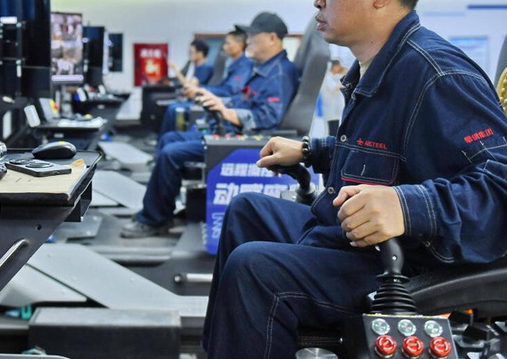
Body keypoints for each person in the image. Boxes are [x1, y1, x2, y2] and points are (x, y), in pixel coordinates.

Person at [170, 0, 507, 359]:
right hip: (352, 238)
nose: (317, 0)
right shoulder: (380, 66)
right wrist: (312, 150)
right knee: (248, 211)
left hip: (405, 264)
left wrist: (407, 206)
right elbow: (385, 154)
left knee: (255, 268)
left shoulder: (435, 74)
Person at [123, 13, 300, 239]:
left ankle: (154, 219)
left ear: (272, 38)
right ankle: (160, 208)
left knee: (170, 153)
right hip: (237, 132)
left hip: (252, 141)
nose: (249, 41)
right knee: (170, 140)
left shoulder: (279, 73)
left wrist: (226, 111)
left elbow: (267, 117)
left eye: (253, 36)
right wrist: (220, 103)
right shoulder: (265, 69)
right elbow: (243, 100)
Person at [157, 30, 253, 138]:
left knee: (173, 109)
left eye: (228, 43)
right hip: (218, 100)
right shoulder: (232, 64)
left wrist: (201, 91)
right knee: (172, 108)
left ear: (239, 44)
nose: (224, 47)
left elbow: (230, 91)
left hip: (225, 104)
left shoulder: (244, 65)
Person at [319, 58, 347, 133]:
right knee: (332, 130)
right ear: (334, 66)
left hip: (335, 109)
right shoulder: (327, 77)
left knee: (335, 128)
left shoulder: (334, 77)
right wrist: (344, 79)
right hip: (330, 107)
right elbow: (334, 88)